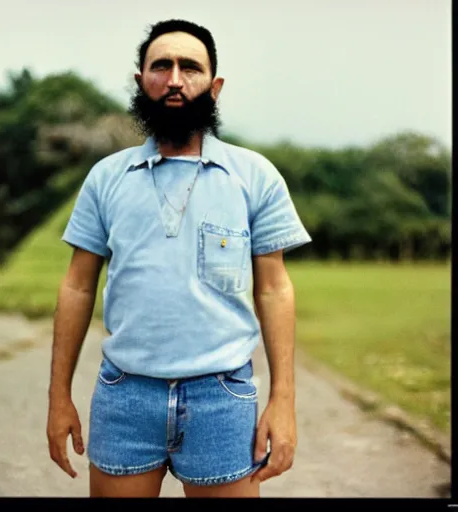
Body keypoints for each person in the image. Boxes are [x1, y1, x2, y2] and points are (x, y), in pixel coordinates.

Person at [46, 18, 312, 498]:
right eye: (160, 66)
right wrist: (57, 396)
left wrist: (283, 402)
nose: (174, 79)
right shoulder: (107, 178)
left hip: (222, 396)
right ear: (140, 81)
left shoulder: (254, 176)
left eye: (189, 67)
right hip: (125, 394)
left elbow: (274, 288)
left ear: (214, 85)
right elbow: (78, 286)